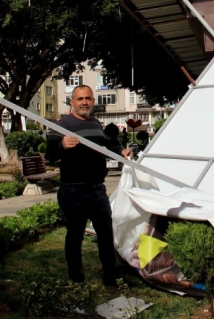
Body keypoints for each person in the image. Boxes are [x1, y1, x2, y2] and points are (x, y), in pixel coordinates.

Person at [45, 85, 132, 286]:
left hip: (97, 191)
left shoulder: (94, 123)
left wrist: (120, 151)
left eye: (88, 99)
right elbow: (49, 154)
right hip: (73, 191)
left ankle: (110, 277)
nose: (85, 102)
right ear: (72, 102)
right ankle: (76, 278)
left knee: (105, 235)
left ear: (93, 101)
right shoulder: (63, 124)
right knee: (75, 236)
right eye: (80, 99)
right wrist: (62, 145)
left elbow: (104, 144)